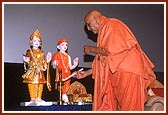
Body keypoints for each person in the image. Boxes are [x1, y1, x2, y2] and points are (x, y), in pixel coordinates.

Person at [74, 10, 156, 111]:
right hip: (117, 74)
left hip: (128, 72)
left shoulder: (112, 24)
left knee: (130, 108)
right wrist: (87, 73)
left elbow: (111, 51)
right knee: (115, 107)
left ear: (95, 19)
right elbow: (105, 60)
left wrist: (91, 49)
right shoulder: (105, 29)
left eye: (88, 24)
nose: (88, 28)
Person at [22, 28, 52, 103]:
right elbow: (27, 61)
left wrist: (48, 60)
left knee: (40, 84)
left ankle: (39, 98)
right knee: (32, 83)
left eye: (38, 41)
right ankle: (32, 98)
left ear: (40, 43)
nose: (37, 42)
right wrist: (26, 61)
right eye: (35, 40)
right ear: (31, 42)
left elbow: (44, 63)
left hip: (40, 71)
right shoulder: (29, 51)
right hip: (32, 71)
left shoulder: (42, 53)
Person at [52, 38, 79, 103]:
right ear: (58, 47)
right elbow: (54, 66)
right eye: (63, 45)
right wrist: (55, 64)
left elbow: (70, 67)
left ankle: (65, 98)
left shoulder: (68, 56)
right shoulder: (57, 54)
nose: (65, 46)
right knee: (62, 88)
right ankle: (64, 98)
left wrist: (75, 65)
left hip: (68, 74)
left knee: (67, 88)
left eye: (66, 45)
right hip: (60, 74)